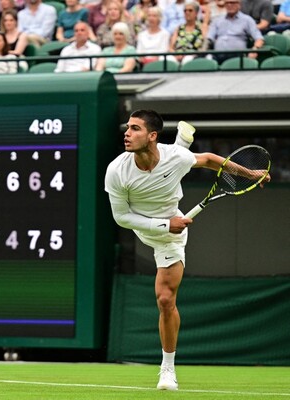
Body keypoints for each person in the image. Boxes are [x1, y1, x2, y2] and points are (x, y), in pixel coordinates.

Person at [104, 109, 270, 391]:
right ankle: (183, 139)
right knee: (175, 161)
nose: (127, 133)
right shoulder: (117, 170)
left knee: (165, 300)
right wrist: (163, 224)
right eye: (127, 128)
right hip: (149, 225)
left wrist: (250, 173)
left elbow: (208, 160)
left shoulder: (174, 158)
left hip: (171, 237)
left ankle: (167, 370)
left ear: (152, 136)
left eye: (135, 129)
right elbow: (121, 217)